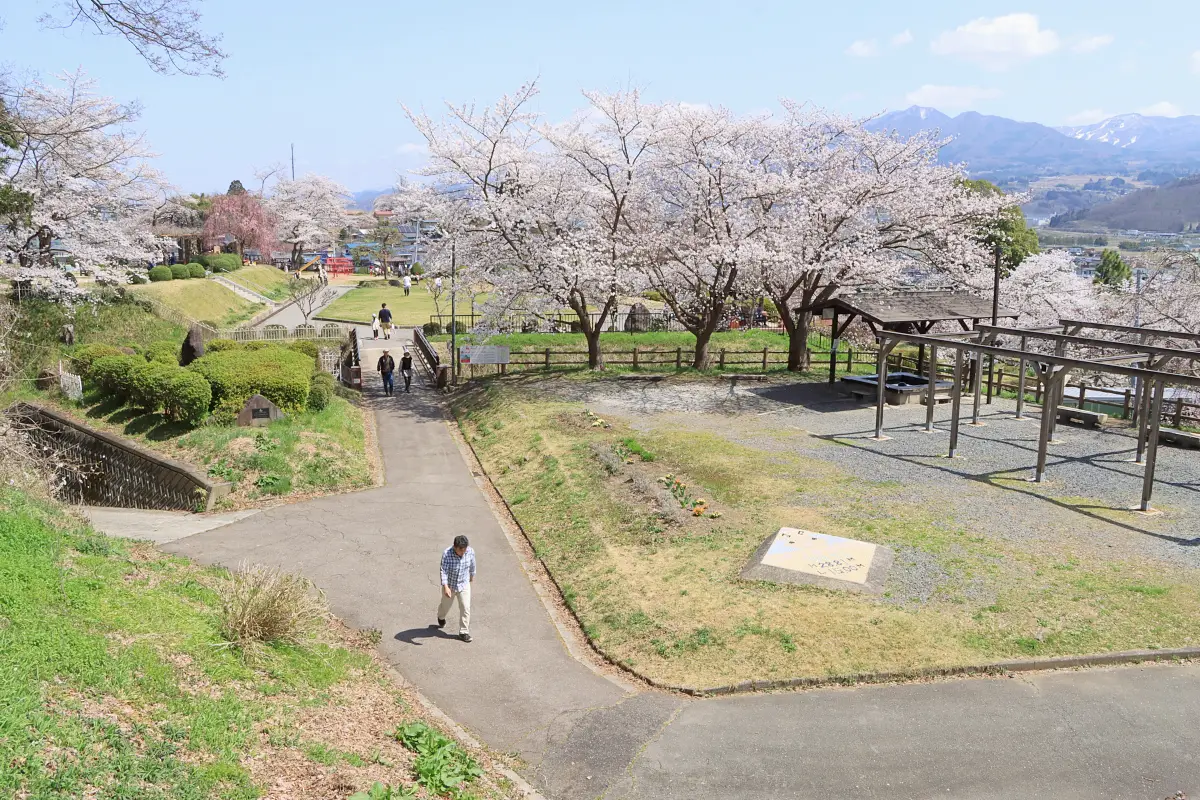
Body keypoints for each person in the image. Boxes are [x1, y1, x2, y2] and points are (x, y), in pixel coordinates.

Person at [437, 535, 475, 642]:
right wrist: (446, 587)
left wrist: (472, 575)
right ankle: (441, 617)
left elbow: (472, 564)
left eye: (465, 549)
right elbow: (443, 571)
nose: (463, 552)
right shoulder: (447, 554)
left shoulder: (470, 551)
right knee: (445, 606)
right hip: (450, 585)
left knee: (465, 607)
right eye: (461, 550)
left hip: (464, 584)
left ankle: (463, 632)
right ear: (455, 547)